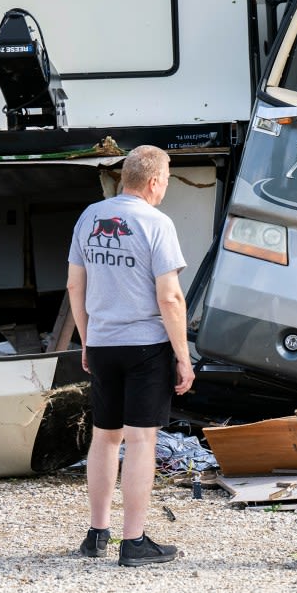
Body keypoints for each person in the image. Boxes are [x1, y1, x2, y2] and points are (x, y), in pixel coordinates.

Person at [66, 145, 194, 567]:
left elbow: (74, 287)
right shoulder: (157, 223)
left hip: (102, 342)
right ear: (155, 181)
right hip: (144, 345)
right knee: (141, 439)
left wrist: (86, 340)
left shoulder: (89, 217)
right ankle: (134, 542)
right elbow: (170, 297)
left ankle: (96, 533)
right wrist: (183, 356)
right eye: (168, 179)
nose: (166, 188)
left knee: (105, 437)